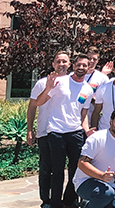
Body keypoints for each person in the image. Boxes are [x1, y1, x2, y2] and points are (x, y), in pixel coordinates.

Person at [36, 53, 95, 208]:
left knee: (76, 169)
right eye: (79, 64)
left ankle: (69, 201)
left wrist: (87, 130)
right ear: (73, 66)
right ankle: (55, 203)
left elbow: (84, 114)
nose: (81, 67)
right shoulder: (59, 82)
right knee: (57, 171)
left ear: (89, 68)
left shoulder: (88, 89)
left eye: (85, 65)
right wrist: (48, 88)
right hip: (56, 132)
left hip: (75, 133)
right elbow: (39, 102)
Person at [27, 51, 71, 208]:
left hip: (66, 132)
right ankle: (46, 201)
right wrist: (30, 130)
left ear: (69, 64)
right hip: (45, 132)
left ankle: (63, 201)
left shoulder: (73, 83)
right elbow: (32, 106)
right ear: (53, 64)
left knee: (65, 169)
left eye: (64, 61)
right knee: (46, 168)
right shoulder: (42, 83)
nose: (61, 64)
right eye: (58, 61)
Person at [74, 108, 115, 208]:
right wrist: (101, 175)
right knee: (107, 194)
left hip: (108, 184)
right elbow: (82, 163)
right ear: (111, 121)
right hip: (85, 181)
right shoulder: (97, 138)